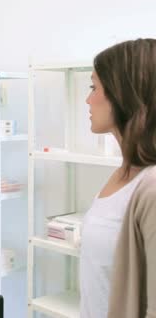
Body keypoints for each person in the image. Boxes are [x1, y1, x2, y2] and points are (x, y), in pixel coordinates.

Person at [80, 38, 156, 318]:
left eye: (94, 87)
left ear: (124, 94)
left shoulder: (152, 186)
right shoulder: (121, 174)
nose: (88, 99)